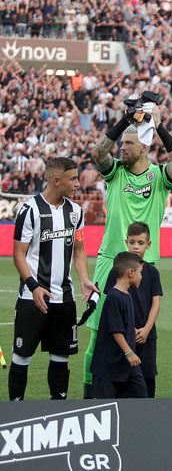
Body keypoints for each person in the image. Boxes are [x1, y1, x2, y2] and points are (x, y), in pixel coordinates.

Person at [86, 98, 172, 398]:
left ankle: (138, 398)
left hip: (145, 266)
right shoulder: (116, 171)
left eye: (128, 144)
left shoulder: (159, 176)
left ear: (144, 147)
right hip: (110, 261)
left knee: (140, 334)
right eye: (122, 144)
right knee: (98, 336)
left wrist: (159, 126)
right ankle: (90, 397)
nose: (122, 148)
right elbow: (98, 152)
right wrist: (123, 122)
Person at [9, 157, 96, 401]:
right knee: (21, 357)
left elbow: (79, 250)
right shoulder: (30, 210)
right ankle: (14, 411)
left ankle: (58, 410)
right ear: (57, 181)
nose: (77, 184)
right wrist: (33, 286)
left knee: (61, 358)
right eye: (73, 179)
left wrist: (84, 279)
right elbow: (18, 255)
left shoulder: (75, 212)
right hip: (32, 298)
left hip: (64, 299)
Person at [91, 252, 147, 399]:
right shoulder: (114, 297)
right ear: (131, 272)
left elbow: (121, 323)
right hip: (108, 365)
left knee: (141, 394)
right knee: (106, 407)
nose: (141, 276)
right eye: (140, 272)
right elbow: (116, 330)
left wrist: (132, 330)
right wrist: (129, 353)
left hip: (125, 363)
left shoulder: (126, 295)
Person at [123, 222, 163, 397]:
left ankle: (149, 411)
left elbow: (156, 303)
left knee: (148, 379)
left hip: (147, 335)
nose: (136, 247)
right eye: (132, 242)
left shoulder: (152, 273)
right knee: (124, 378)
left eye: (140, 243)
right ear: (126, 242)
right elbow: (114, 302)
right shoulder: (118, 271)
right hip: (125, 335)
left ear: (148, 244)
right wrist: (128, 329)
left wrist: (146, 329)